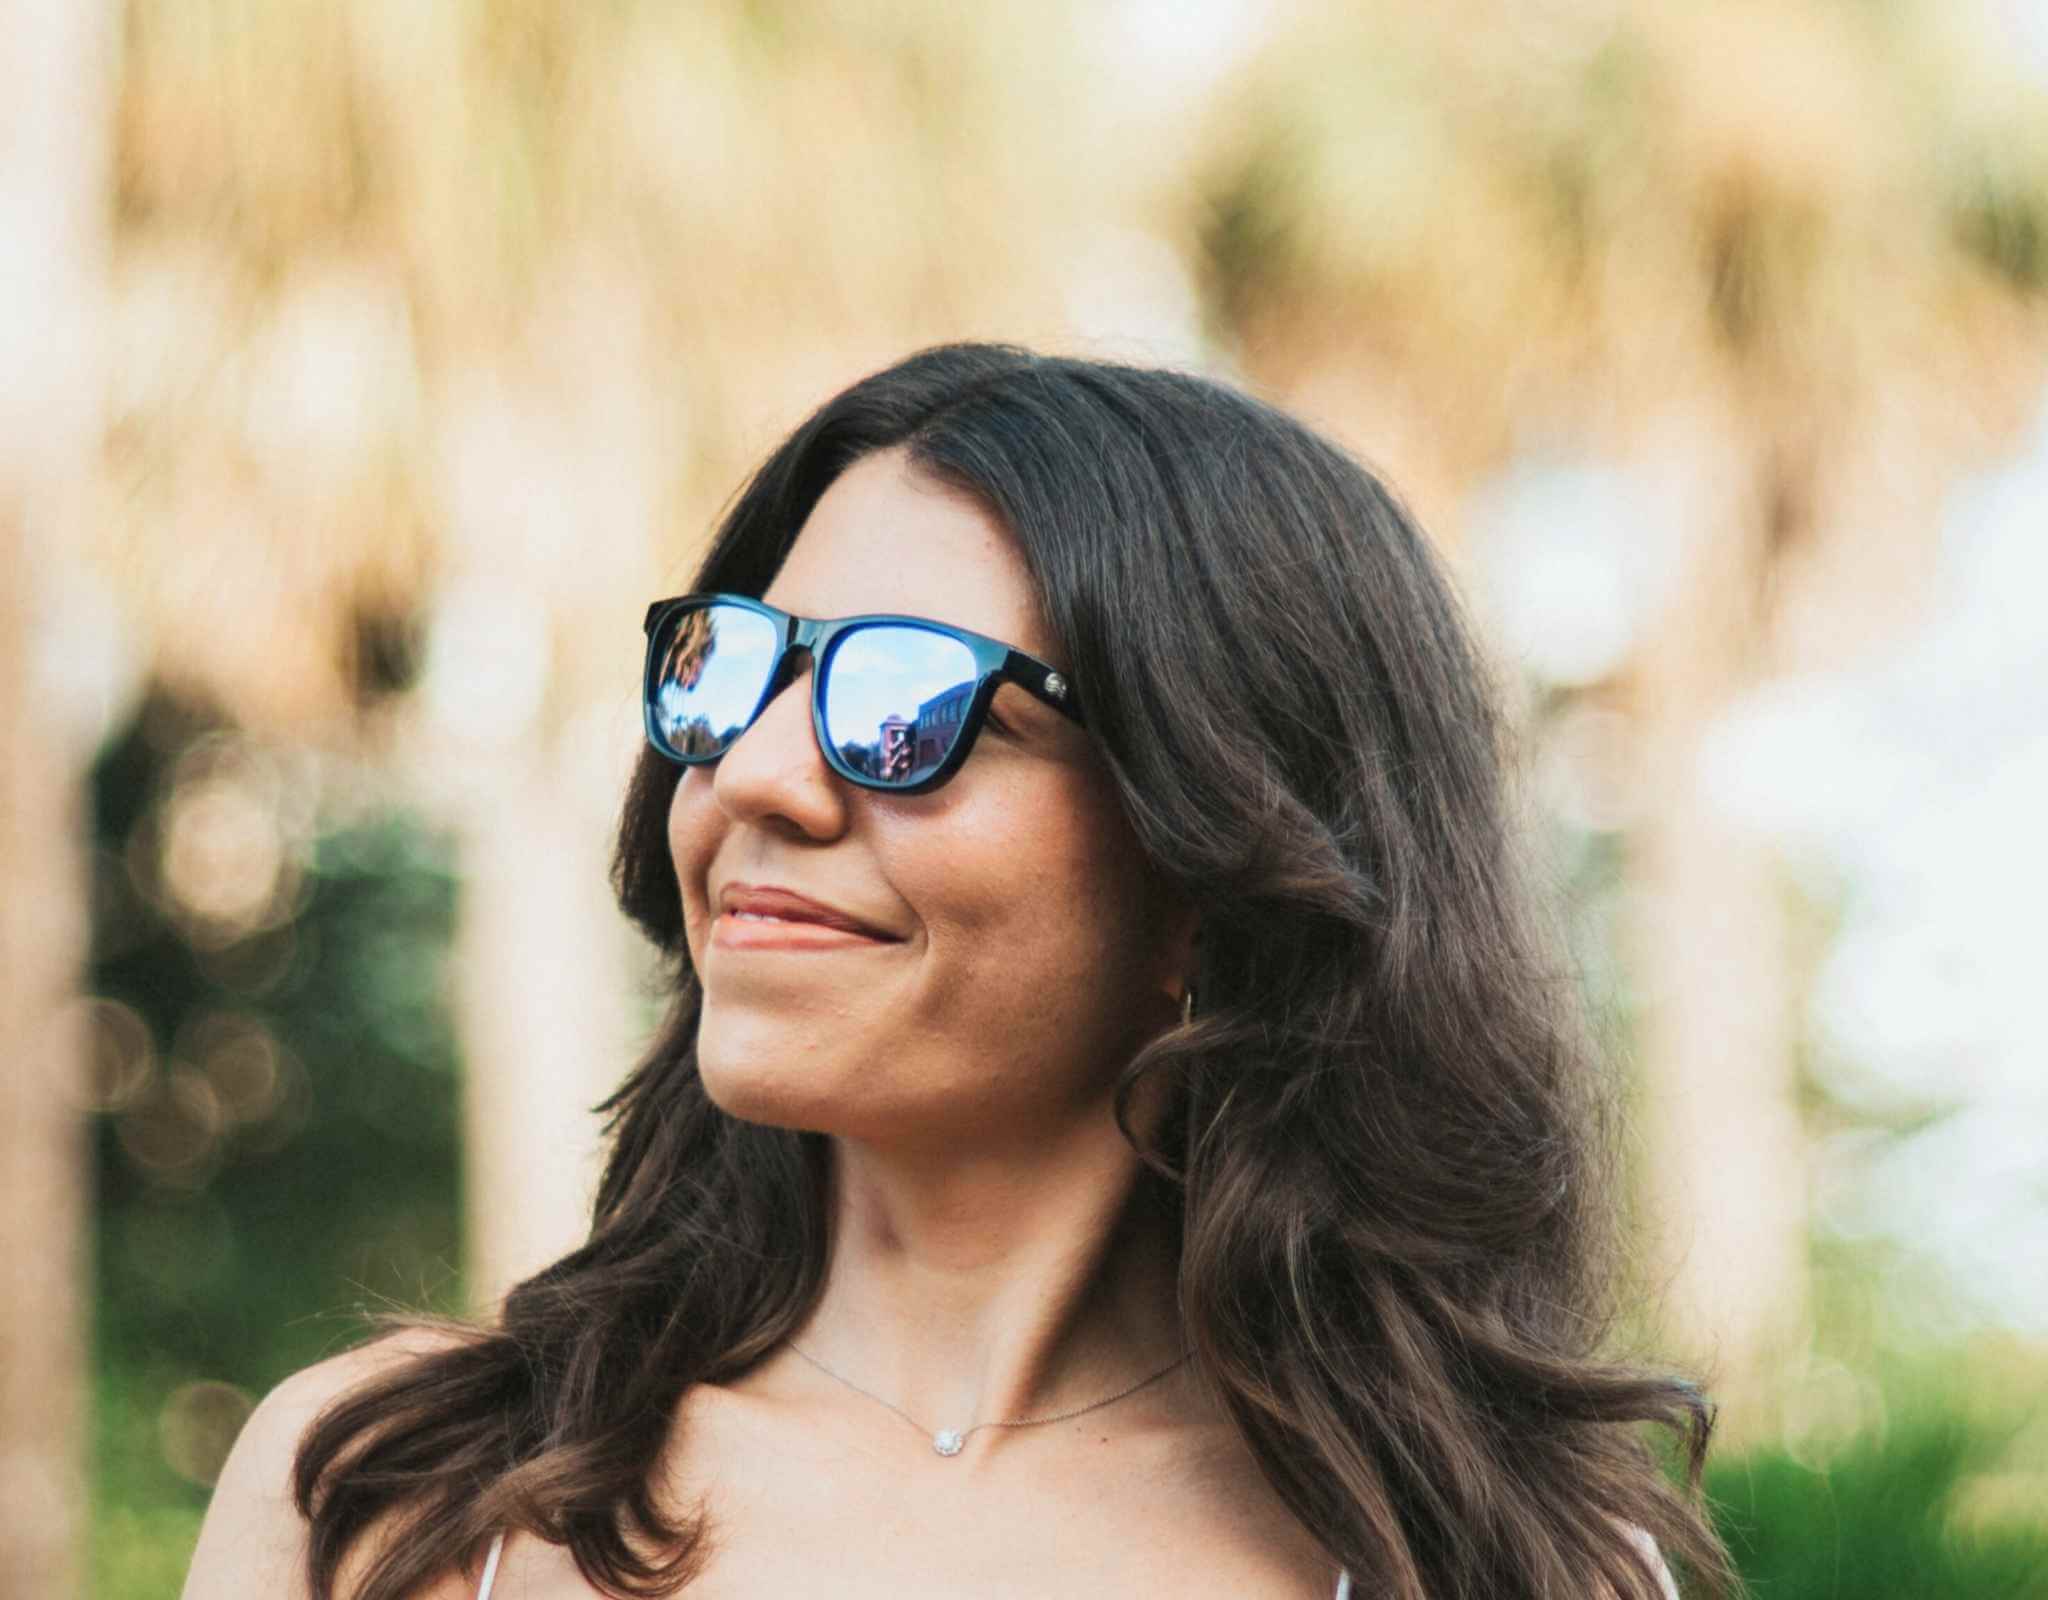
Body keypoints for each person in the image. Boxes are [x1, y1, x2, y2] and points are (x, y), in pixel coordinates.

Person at [181, 343, 1731, 1598]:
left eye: (910, 702)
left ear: (1213, 861)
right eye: (740, 672)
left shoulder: (1494, 1566)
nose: (758, 779)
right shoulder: (396, 1504)